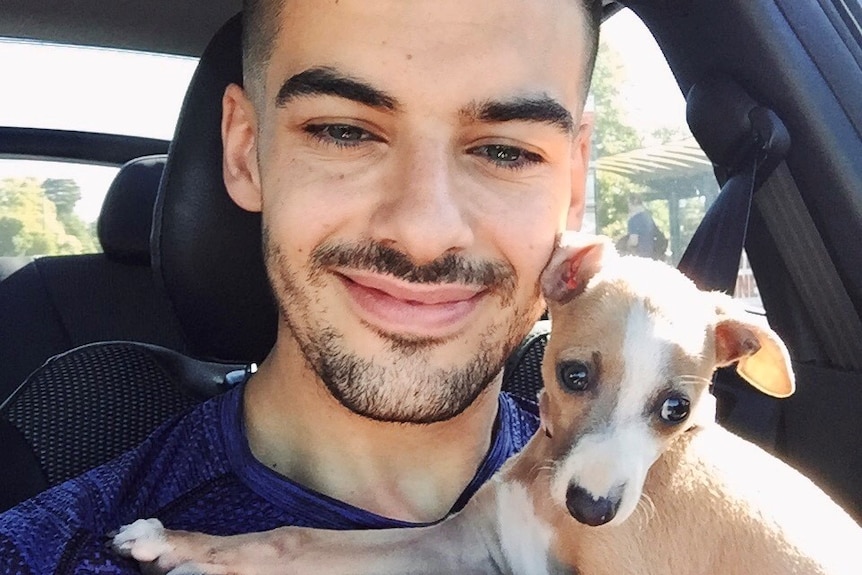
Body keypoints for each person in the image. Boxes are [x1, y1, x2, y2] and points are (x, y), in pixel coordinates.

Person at [0, 0, 602, 572]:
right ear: (245, 152)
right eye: (343, 132)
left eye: (505, 151)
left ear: (573, 184)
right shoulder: (54, 551)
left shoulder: (665, 495)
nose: (424, 233)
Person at [624, 193, 664, 259]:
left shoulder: (634, 220)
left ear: (631, 203)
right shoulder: (648, 216)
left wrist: (626, 246)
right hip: (652, 254)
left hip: (640, 256)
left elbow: (634, 242)